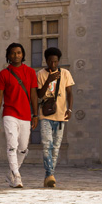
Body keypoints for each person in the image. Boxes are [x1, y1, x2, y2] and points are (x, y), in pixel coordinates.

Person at [0, 42, 39, 188]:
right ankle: (17, 176)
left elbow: (33, 94)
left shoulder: (31, 72)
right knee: (12, 145)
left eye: (19, 52)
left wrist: (35, 114)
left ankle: (12, 173)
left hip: (25, 114)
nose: (16, 55)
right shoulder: (4, 74)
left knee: (23, 148)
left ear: (23, 54)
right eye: (13, 53)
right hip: (10, 113)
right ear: (8, 56)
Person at [36, 46, 75, 188]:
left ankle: (49, 175)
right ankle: (50, 174)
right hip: (46, 115)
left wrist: (69, 109)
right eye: (51, 62)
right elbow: (39, 95)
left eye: (56, 62)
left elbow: (70, 93)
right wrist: (49, 80)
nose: (53, 64)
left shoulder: (65, 73)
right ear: (46, 61)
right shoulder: (40, 74)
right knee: (47, 145)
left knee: (56, 147)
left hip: (60, 115)